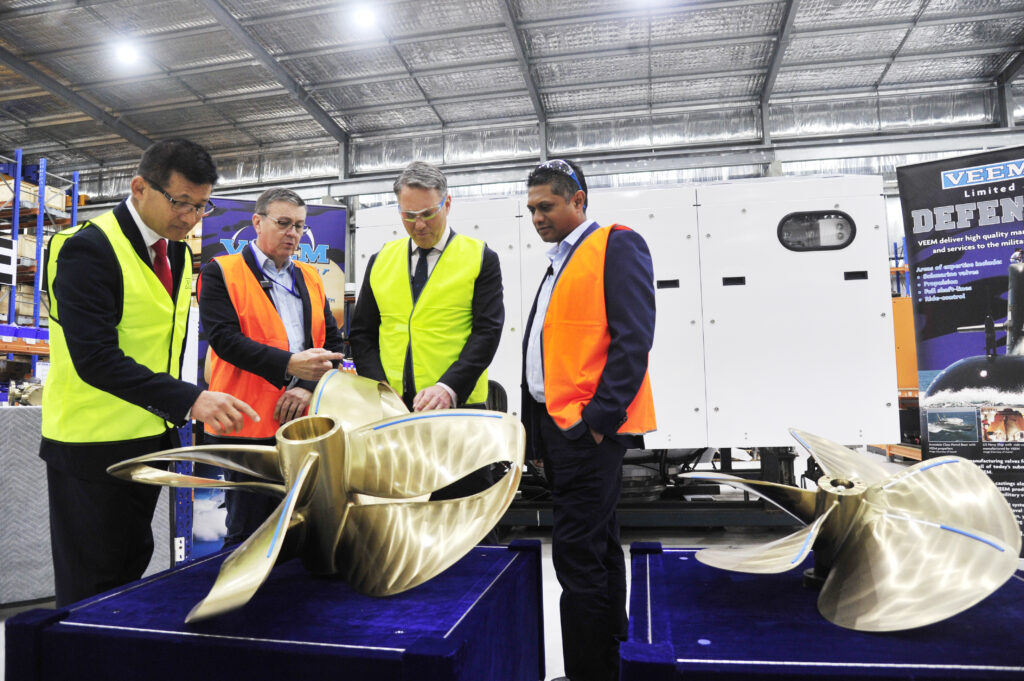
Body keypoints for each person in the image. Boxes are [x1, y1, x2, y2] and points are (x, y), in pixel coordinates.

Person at [41, 138, 260, 607]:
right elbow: (95, 357)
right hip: (90, 446)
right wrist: (190, 398)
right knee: (91, 588)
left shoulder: (177, 252)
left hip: (149, 439)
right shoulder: (87, 249)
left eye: (202, 207)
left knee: (129, 570)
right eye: (181, 203)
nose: (191, 217)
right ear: (140, 187)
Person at [521, 159, 656, 681]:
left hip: (585, 434)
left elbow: (634, 339)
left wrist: (595, 422)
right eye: (532, 209)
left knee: (576, 557)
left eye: (546, 206)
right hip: (562, 432)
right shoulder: (562, 258)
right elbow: (548, 350)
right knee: (597, 546)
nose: (537, 217)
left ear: (578, 199)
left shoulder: (616, 245)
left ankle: (586, 673)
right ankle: (611, 658)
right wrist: (539, 432)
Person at [198, 187, 345, 545]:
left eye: (298, 225)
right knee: (249, 535)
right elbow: (225, 340)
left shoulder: (310, 277)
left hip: (302, 422)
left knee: (302, 528)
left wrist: (305, 386)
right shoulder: (220, 271)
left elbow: (333, 346)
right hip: (245, 422)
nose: (292, 233)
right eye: (283, 223)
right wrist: (290, 365)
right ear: (257, 222)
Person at [349, 161, 503, 412]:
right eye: (408, 216)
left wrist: (448, 387)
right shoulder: (381, 260)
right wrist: (380, 387)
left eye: (428, 214)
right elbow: (362, 334)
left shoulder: (480, 257)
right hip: (393, 405)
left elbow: (487, 332)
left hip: (457, 404)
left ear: (448, 204)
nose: (419, 225)